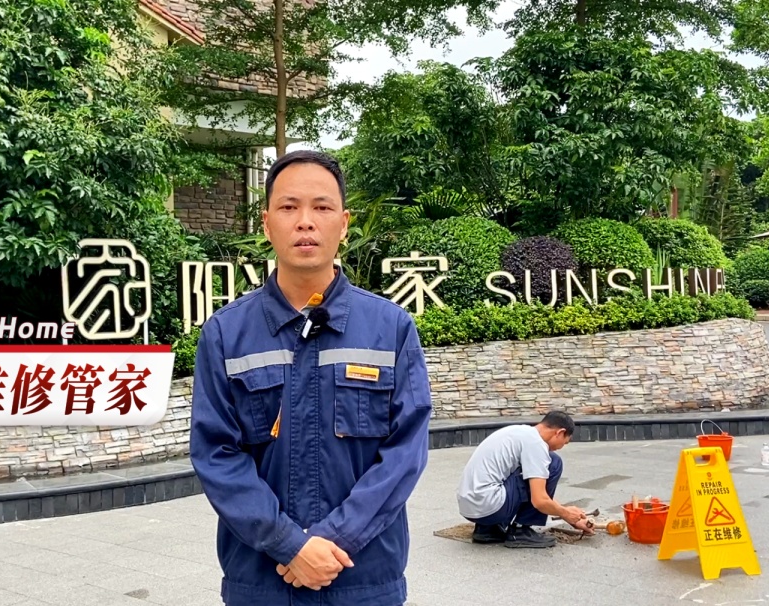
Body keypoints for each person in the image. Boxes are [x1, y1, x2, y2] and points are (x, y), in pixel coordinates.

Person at [189, 149, 433, 606]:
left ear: (343, 223)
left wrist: (333, 541)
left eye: (321, 207)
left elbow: (405, 454)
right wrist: (289, 544)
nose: (305, 222)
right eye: (288, 207)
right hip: (262, 582)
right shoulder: (225, 334)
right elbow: (216, 454)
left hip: (362, 579)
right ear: (266, 224)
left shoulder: (391, 329)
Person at [455, 411, 593, 548]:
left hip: (471, 507)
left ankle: (487, 529)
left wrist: (571, 517)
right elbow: (540, 500)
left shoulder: (519, 432)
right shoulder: (536, 444)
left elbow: (540, 493)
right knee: (553, 462)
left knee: (523, 471)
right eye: (565, 442)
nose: (560, 447)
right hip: (490, 508)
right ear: (560, 432)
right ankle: (521, 531)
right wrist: (566, 513)